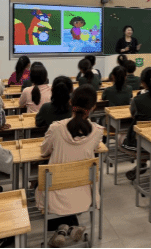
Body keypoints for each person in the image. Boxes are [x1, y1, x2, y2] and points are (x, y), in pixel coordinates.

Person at [35, 85, 104, 246]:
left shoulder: (56, 128)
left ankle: (61, 229)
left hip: (54, 197)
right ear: (93, 107)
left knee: (43, 185)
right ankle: (69, 228)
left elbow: (44, 151)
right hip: (84, 195)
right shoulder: (97, 131)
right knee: (65, 188)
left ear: (70, 102)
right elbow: (95, 148)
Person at [122, 68, 151, 180]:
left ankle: (142, 162)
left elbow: (133, 115)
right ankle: (143, 161)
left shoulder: (137, 99)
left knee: (120, 137)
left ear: (142, 82)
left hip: (139, 140)